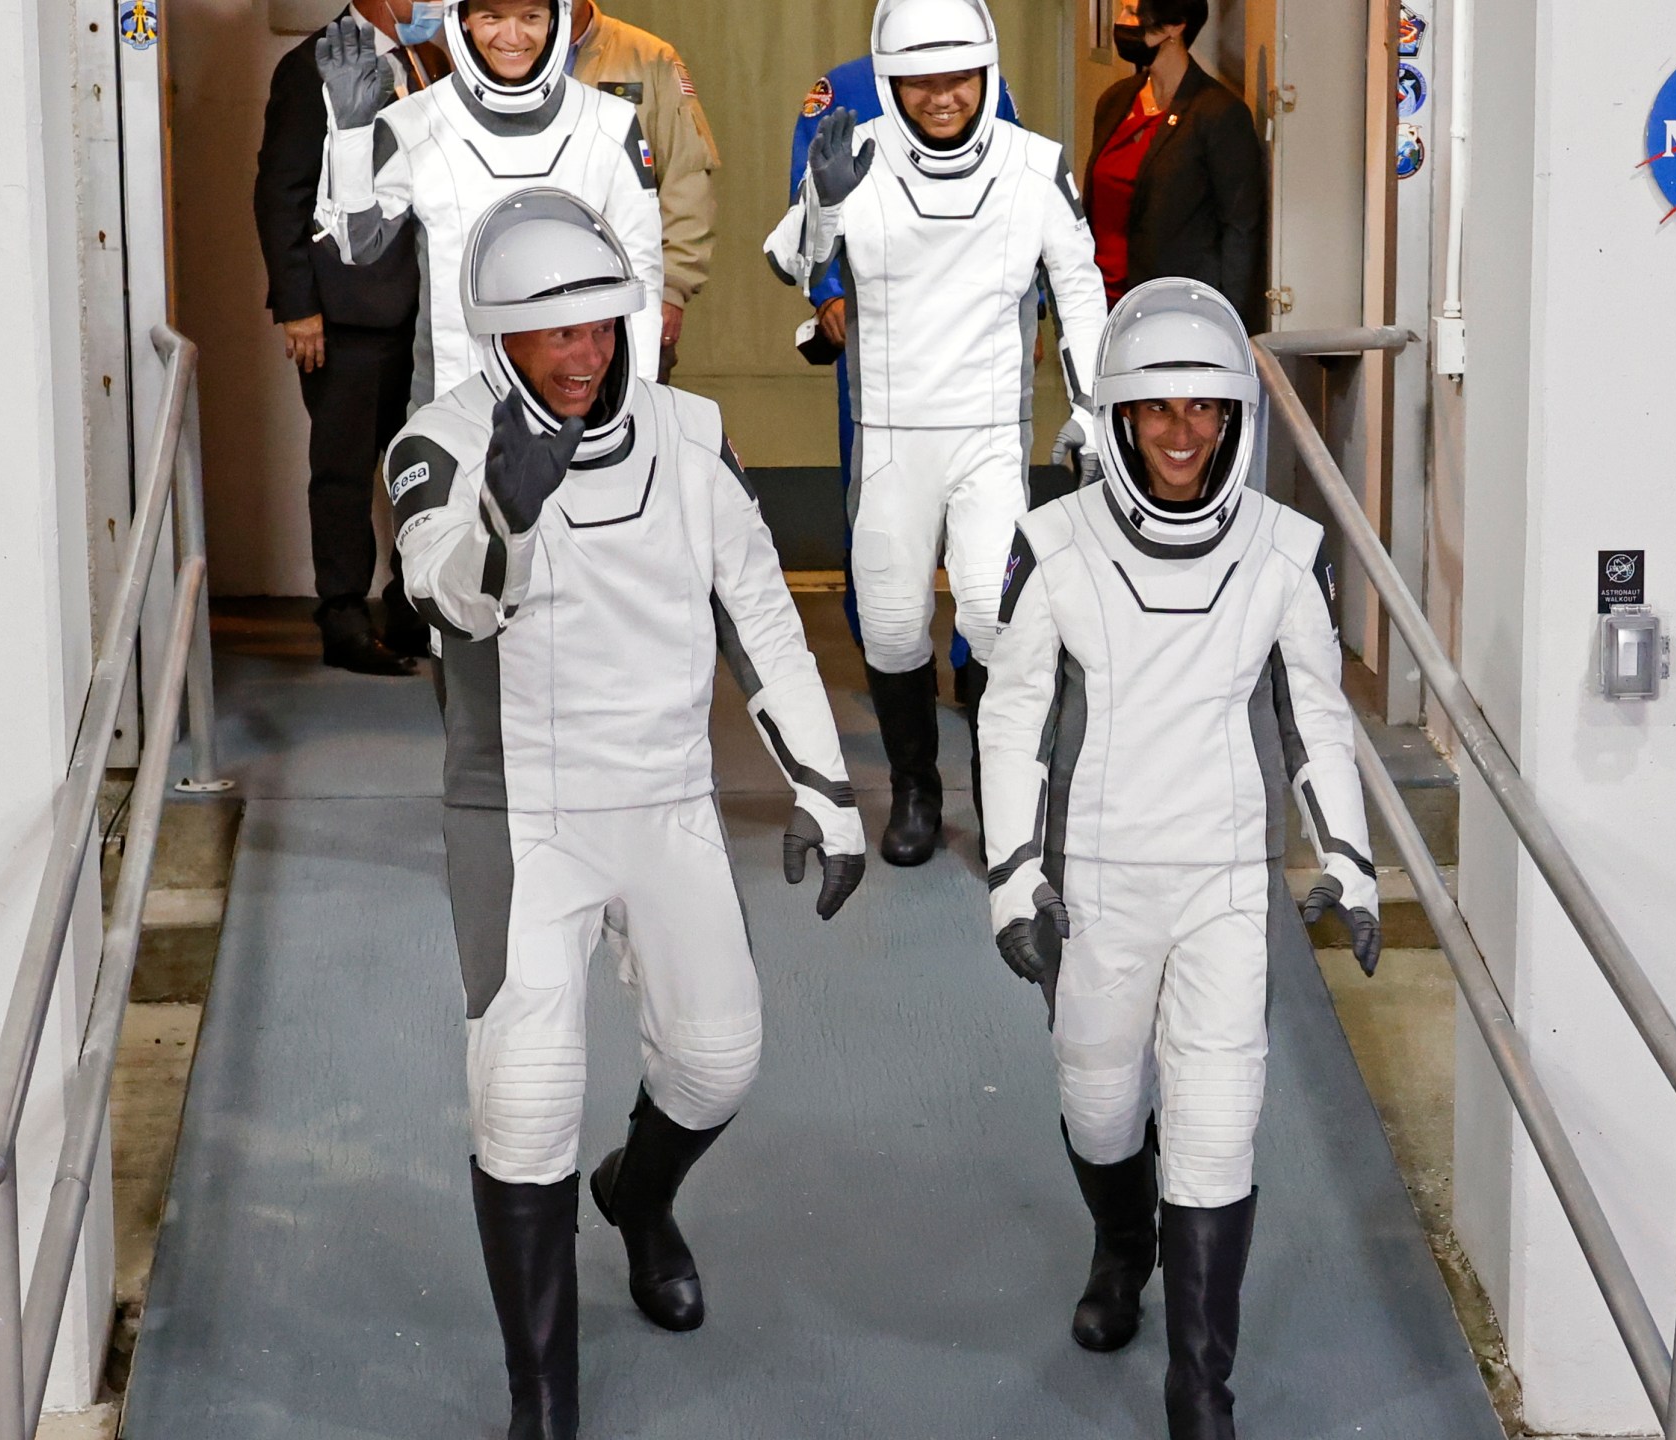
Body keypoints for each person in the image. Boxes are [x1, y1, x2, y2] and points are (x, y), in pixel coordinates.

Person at [384, 190, 866, 1440]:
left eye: (601, 325)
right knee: (524, 1099)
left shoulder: (692, 433)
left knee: (717, 1062)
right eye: (557, 336)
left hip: (665, 795)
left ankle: (638, 1199)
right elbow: (449, 600)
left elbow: (757, 611)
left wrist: (823, 784)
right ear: (499, 338)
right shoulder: (435, 443)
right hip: (520, 814)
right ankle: (542, 1398)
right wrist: (508, 511)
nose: (587, 354)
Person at [977, 278, 1381, 1440]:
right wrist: (1015, 876)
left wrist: (1347, 862)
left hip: (1218, 880)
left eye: (1205, 411)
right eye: (1158, 411)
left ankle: (1200, 1390)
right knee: (1101, 1107)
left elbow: (1315, 716)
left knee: (1215, 1127)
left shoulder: (1281, 549)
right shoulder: (1051, 544)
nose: (1182, 435)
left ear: (1234, 421)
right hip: (1095, 880)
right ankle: (1119, 1244)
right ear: (1115, 417)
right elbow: (1010, 726)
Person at [764, 0, 1108, 868]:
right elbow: (793, 262)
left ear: (987, 71)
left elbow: (1079, 285)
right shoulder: (859, 160)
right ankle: (917, 787)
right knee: (887, 624)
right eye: (922, 79)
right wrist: (825, 205)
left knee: (997, 622)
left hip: (989, 436)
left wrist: (1094, 406)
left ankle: (1003, 794)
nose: (943, 96)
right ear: (891, 79)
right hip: (890, 437)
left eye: (958, 76)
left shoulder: (1034, 167)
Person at [311, 0, 662, 414]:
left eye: (530, 17)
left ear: (556, 19)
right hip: (450, 403)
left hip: (582, 407)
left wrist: (638, 408)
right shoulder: (414, 123)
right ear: (463, 20)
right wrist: (349, 134)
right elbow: (355, 246)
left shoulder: (609, 124)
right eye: (492, 17)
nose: (513, 37)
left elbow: (641, 280)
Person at [786, 50, 1016, 663]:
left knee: (986, 521)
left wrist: (1032, 305)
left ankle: (978, 661)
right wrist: (829, 293)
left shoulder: (984, 80)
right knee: (878, 510)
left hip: (973, 343)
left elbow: (1019, 199)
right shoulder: (840, 89)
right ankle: (881, 648)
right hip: (882, 341)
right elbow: (810, 203)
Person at [254, 1, 452, 674]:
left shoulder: (429, 60)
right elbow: (282, 192)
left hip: (425, 312)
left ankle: (408, 608)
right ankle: (342, 618)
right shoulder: (312, 66)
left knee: (421, 465)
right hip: (344, 314)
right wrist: (297, 306)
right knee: (344, 472)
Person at [1087, 0, 1268, 328]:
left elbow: (1241, 229)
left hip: (1177, 316)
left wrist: (1230, 325)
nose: (1121, 22)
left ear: (1173, 26)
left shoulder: (1218, 114)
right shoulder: (1114, 101)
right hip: (1102, 307)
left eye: (1131, 11)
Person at [567, 0, 719, 381]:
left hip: (627, 302)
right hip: (530, 300)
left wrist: (673, 288)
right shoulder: (503, 56)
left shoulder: (649, 57)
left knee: (634, 429)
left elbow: (687, 176)